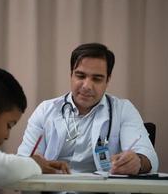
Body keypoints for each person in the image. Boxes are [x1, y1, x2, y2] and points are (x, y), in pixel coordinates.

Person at [18, 43, 158, 175]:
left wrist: (138, 162)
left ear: (107, 80)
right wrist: (32, 163)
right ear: (71, 75)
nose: (87, 86)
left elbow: (149, 157)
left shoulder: (123, 110)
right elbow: (23, 160)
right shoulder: (45, 110)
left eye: (96, 79)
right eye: (80, 76)